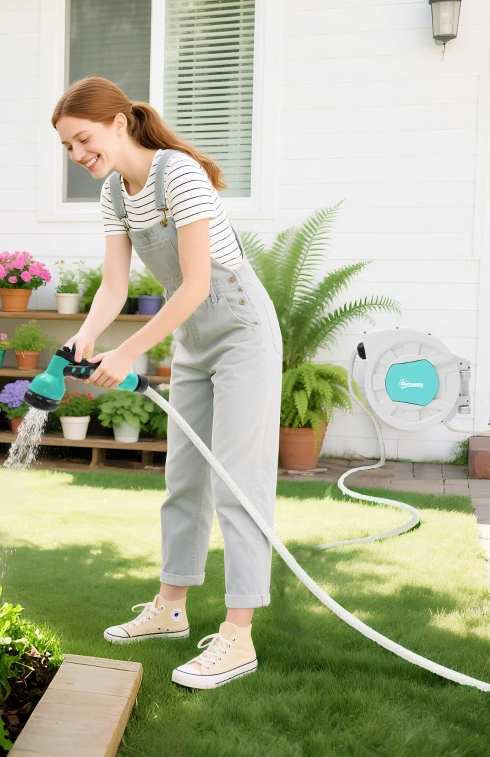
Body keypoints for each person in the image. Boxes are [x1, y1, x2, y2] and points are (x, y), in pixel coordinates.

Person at [52, 77, 282, 691]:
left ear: (119, 124)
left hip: (240, 332)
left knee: (238, 480)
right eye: (69, 147)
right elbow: (114, 286)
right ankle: (171, 608)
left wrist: (127, 350)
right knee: (183, 477)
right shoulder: (113, 193)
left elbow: (197, 284)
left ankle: (238, 636)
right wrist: (88, 335)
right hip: (194, 342)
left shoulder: (176, 173)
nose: (78, 155)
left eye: (84, 139)